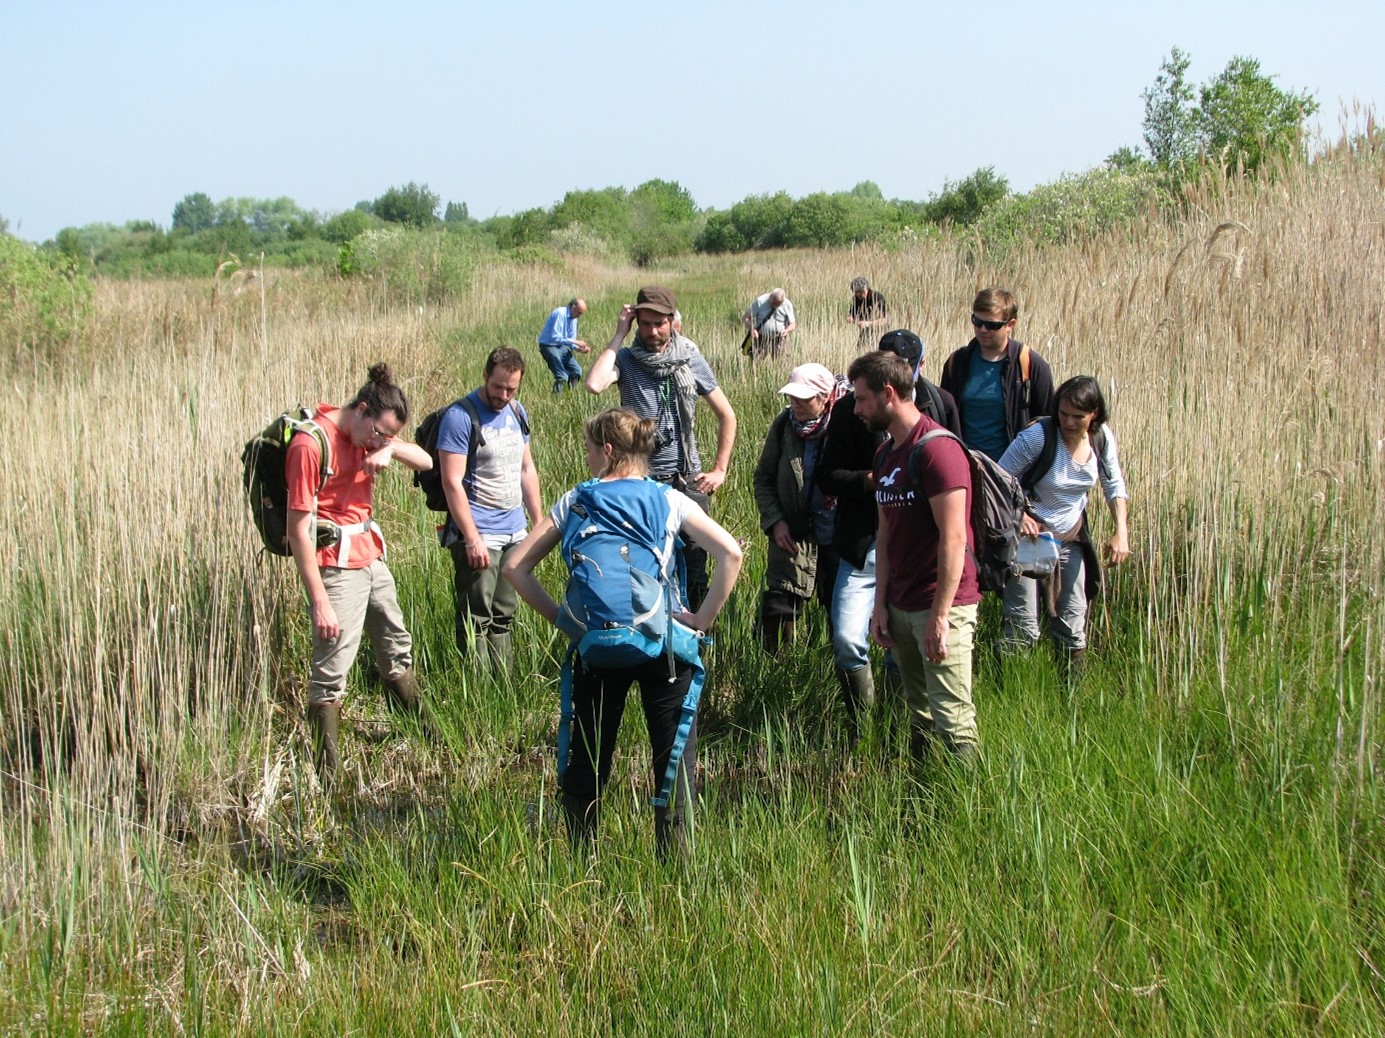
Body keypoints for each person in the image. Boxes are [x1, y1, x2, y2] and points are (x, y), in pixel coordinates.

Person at [503, 408, 744, 858]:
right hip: (665, 645)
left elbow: (515, 566)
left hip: (596, 645)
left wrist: (563, 620)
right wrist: (702, 619)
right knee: (672, 759)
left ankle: (581, 861)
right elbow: (730, 554)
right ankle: (676, 872)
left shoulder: (577, 499)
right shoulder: (669, 500)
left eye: (591, 449)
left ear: (608, 451)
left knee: (589, 756)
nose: (588, 457)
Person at [285, 363, 433, 793]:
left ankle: (422, 733)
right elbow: (299, 531)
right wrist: (320, 601)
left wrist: (391, 450)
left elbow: (424, 460)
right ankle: (327, 778)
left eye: (388, 436)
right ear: (362, 409)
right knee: (331, 671)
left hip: (372, 558)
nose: (379, 442)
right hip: (334, 565)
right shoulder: (309, 445)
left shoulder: (376, 432)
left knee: (396, 646)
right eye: (378, 434)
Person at [815, 331, 962, 745]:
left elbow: (955, 493)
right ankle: (865, 727)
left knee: (910, 662)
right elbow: (827, 475)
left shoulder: (939, 409)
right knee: (847, 640)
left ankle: (899, 733)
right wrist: (875, 482)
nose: (859, 404)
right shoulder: (850, 413)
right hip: (863, 545)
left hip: (918, 554)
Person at [849, 351, 982, 763]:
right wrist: (880, 606)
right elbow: (885, 536)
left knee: (953, 718)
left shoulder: (937, 451)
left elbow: (954, 537)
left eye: (861, 399)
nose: (856, 410)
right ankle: (922, 798)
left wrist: (940, 616)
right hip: (900, 604)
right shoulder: (885, 455)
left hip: (942, 605)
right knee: (919, 714)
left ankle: (970, 809)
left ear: (889, 394)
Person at [585, 285, 737, 611]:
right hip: (643, 482)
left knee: (696, 567)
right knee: (646, 566)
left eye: (659, 323)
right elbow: (595, 384)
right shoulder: (626, 359)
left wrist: (719, 469)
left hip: (688, 479)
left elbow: (726, 414)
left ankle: (696, 641)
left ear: (672, 321)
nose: (652, 331)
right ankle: (654, 643)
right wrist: (618, 334)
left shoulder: (690, 357)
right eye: (644, 324)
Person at [997, 376, 1130, 677]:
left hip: (1071, 536)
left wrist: (1121, 530)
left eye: (1078, 416)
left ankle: (1071, 702)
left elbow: (1113, 483)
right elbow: (997, 480)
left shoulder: (1101, 438)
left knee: (1073, 624)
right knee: (1023, 628)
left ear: (1094, 414)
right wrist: (1019, 517)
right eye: (1063, 413)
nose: (1068, 422)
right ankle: (1008, 691)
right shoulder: (1038, 437)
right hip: (1028, 539)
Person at [436, 347, 542, 668]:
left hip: (514, 530)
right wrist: (472, 538)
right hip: (480, 532)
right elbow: (451, 482)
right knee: (475, 616)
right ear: (485, 375)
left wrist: (538, 525)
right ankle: (478, 690)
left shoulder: (518, 412)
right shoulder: (459, 417)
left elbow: (527, 469)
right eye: (498, 386)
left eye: (511, 388)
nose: (503, 395)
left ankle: (504, 684)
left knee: (504, 613)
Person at [753, 363, 843, 656]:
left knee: (840, 615)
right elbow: (763, 478)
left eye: (804, 399)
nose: (796, 405)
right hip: (793, 535)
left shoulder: (848, 424)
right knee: (778, 613)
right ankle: (775, 676)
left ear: (825, 397)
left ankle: (836, 680)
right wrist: (775, 521)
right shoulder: (783, 426)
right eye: (792, 397)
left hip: (839, 536)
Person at [939, 287, 1056, 460]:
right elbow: (944, 416)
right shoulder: (957, 363)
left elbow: (1047, 424)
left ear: (1010, 324)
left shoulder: (1031, 365)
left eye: (992, 325)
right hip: (964, 466)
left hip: (1012, 472)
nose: (983, 329)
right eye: (977, 322)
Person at [537, 298, 590, 393]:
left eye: (581, 313)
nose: (579, 316)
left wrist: (579, 349)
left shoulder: (574, 319)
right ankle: (557, 397)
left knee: (577, 371)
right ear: (573, 307)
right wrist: (575, 341)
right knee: (562, 376)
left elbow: (570, 341)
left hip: (562, 347)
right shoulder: (560, 313)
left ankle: (569, 394)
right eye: (579, 312)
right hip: (549, 346)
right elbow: (555, 337)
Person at [743, 288, 796, 359]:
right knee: (756, 362)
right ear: (770, 296)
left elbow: (793, 324)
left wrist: (787, 330)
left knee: (780, 362)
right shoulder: (760, 301)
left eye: (778, 304)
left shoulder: (787, 304)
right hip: (761, 338)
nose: (775, 306)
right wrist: (753, 329)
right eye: (773, 303)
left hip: (779, 338)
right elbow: (746, 318)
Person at [847, 276, 888, 346]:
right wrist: (851, 319)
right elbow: (853, 314)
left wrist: (867, 323)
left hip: (879, 331)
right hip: (865, 331)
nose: (858, 294)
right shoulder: (856, 299)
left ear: (866, 289)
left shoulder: (877, 298)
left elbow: (885, 320)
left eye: (860, 292)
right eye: (856, 292)